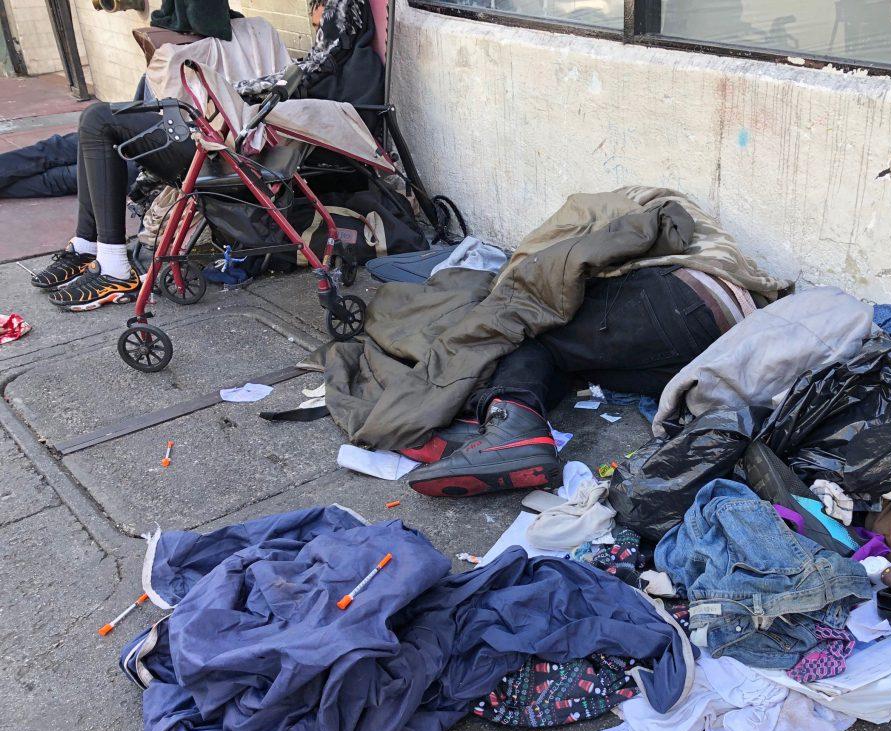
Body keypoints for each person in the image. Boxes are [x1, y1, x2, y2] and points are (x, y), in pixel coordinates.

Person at [27, 0, 375, 309]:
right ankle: (90, 246)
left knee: (98, 121)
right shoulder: (326, 47)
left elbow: (299, 81)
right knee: (97, 124)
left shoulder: (340, 53)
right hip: (232, 140)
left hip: (234, 151)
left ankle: (111, 262)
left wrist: (233, 90)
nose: (312, 24)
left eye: (316, 23)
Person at [404, 265, 761, 497]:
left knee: (528, 330)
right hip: (719, 345)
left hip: (689, 300)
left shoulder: (518, 277)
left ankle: (511, 424)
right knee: (570, 361)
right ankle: (494, 425)